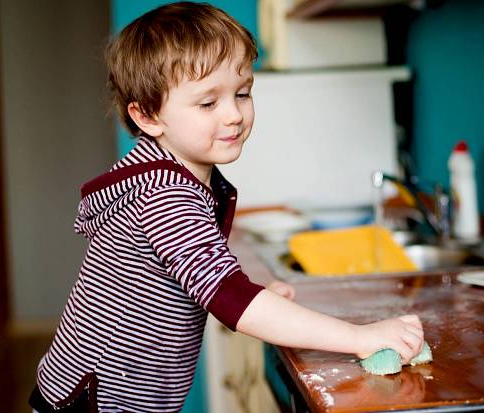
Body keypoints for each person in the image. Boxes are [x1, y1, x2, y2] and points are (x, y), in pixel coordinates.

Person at [29, 2, 424, 412]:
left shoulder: (176, 177)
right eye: (207, 103)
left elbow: (199, 282)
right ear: (147, 115)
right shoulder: (164, 195)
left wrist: (256, 298)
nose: (234, 114)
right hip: (95, 404)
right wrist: (359, 337)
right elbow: (227, 296)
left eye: (242, 93)